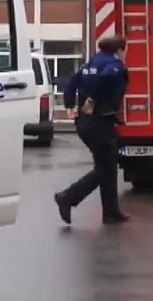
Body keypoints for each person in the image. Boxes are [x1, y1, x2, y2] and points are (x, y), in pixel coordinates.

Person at [54, 36, 130, 225]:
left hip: (86, 123)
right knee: (105, 168)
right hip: (100, 122)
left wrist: (70, 105)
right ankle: (67, 197)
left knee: (108, 167)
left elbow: (71, 84)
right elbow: (107, 78)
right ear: (119, 50)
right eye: (125, 50)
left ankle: (111, 213)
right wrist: (93, 98)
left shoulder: (90, 64)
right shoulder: (115, 64)